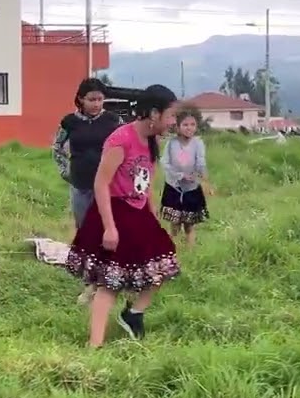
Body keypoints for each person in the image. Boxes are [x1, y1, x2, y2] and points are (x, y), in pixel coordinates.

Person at [64, 84, 181, 346]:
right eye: (171, 116)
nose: (174, 122)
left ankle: (134, 313)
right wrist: (109, 228)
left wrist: (152, 218)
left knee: (164, 266)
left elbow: (146, 183)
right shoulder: (121, 139)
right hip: (115, 212)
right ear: (154, 114)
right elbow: (100, 183)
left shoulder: (153, 141)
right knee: (110, 283)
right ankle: (95, 345)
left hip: (139, 213)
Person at [51, 77, 122, 304]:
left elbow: (125, 148)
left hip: (109, 185)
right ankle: (89, 280)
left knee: (107, 229)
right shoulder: (69, 122)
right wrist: (65, 173)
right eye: (92, 99)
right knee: (85, 231)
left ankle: (109, 278)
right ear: (81, 99)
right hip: (80, 184)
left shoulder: (113, 120)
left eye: (100, 99)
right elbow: (57, 148)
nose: (96, 103)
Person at [159, 111, 209, 245]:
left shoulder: (198, 143)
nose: (189, 128)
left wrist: (202, 177)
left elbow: (201, 162)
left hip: (192, 189)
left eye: (193, 124)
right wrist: (180, 175)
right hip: (174, 187)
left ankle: (191, 252)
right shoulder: (171, 143)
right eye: (185, 124)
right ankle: (171, 252)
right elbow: (165, 163)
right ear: (178, 127)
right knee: (174, 225)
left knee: (189, 225)